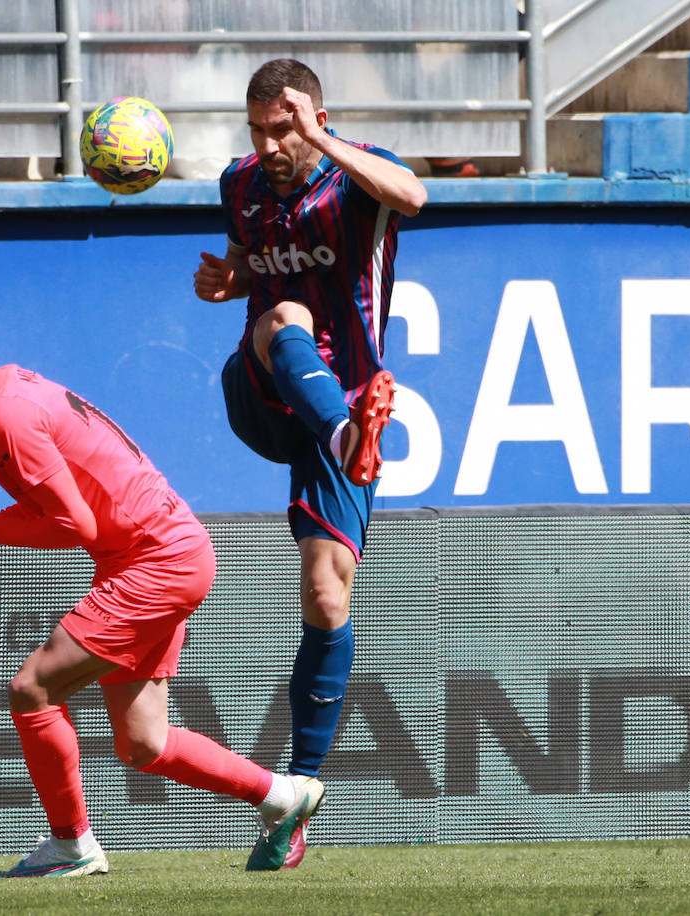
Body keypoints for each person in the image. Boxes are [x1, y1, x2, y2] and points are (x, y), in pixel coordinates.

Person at [0, 287, 323, 876]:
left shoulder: (3, 414)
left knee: (32, 690)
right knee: (143, 742)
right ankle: (285, 796)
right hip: (164, 550)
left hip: (155, 558)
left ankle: (72, 846)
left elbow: (76, 521)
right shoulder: (4, 394)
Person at [192, 58, 427, 869]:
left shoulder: (353, 179)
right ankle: (340, 438)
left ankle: (294, 800)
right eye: (259, 130)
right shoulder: (242, 184)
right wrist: (225, 283)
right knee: (284, 313)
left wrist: (324, 139)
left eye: (283, 128)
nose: (271, 145)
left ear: (314, 118)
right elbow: (245, 269)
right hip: (266, 390)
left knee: (327, 594)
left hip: (346, 399)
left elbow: (415, 197)